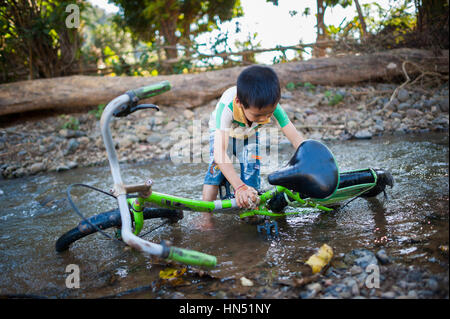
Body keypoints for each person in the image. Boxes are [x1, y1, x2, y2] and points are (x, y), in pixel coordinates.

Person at [201, 65, 304, 228]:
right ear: (239, 103)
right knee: (215, 171)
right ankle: (206, 216)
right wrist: (239, 187)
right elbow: (220, 153)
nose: (264, 119)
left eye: (268, 114)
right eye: (258, 115)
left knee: (251, 170)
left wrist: (307, 155)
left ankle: (251, 210)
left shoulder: (270, 105)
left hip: (249, 134)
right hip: (222, 132)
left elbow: (294, 135)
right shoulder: (227, 107)